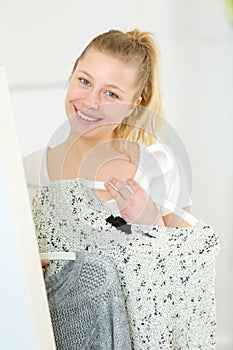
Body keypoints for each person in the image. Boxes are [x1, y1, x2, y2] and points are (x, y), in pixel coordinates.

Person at [23, 28, 205, 348]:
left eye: (111, 94)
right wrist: (21, 268)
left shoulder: (157, 170)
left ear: (132, 106)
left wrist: (150, 223)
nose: (90, 101)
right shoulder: (26, 173)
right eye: (84, 81)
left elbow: (187, 287)